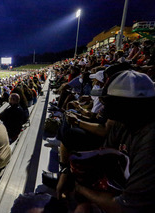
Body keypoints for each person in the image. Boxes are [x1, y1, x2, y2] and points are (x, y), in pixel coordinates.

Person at [63, 71, 155, 212]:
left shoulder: (149, 141)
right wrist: (68, 172)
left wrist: (78, 187)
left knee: (83, 208)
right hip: (121, 186)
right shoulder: (123, 123)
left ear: (127, 105)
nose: (103, 106)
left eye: (107, 102)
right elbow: (103, 157)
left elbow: (125, 206)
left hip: (132, 203)